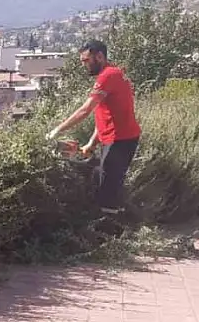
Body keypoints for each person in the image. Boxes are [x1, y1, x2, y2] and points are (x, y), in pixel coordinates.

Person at [46, 39, 141, 216]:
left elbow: (85, 110)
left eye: (86, 61)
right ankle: (120, 228)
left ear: (99, 56)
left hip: (118, 140)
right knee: (107, 181)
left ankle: (111, 235)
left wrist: (57, 130)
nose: (84, 65)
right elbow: (108, 115)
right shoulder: (116, 73)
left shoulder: (108, 75)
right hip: (121, 137)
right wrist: (92, 143)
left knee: (107, 191)